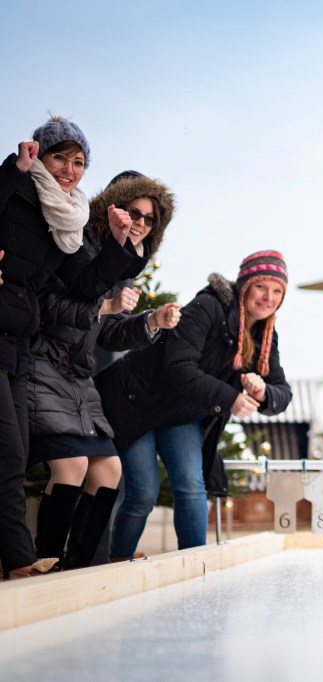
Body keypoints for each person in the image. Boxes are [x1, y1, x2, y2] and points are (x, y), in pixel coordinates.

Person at [0, 117, 137, 579]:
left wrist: (119, 245)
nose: (69, 169)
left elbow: (83, 283)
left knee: (31, 463)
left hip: (20, 340)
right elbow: (72, 303)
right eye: (61, 157)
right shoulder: (20, 188)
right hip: (35, 353)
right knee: (51, 462)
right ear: (40, 154)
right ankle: (35, 562)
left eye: (79, 162)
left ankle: (64, 567)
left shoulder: (68, 217)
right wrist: (15, 168)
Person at [27, 170, 182, 571]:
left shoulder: (123, 271)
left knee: (109, 470)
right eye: (134, 213)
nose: (141, 224)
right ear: (114, 209)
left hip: (78, 376)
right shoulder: (79, 246)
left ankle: (78, 567)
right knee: (72, 465)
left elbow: (108, 335)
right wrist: (105, 306)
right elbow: (50, 307)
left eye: (150, 219)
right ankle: (47, 561)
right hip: (44, 362)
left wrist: (151, 322)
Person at [96, 251, 292, 559]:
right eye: (261, 287)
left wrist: (264, 391)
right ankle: (118, 562)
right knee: (143, 493)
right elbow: (179, 366)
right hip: (136, 402)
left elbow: (283, 392)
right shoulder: (209, 306)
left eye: (277, 291)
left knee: (191, 486)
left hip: (182, 413)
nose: (268, 298)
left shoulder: (265, 335)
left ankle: (194, 565)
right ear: (245, 286)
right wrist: (230, 398)